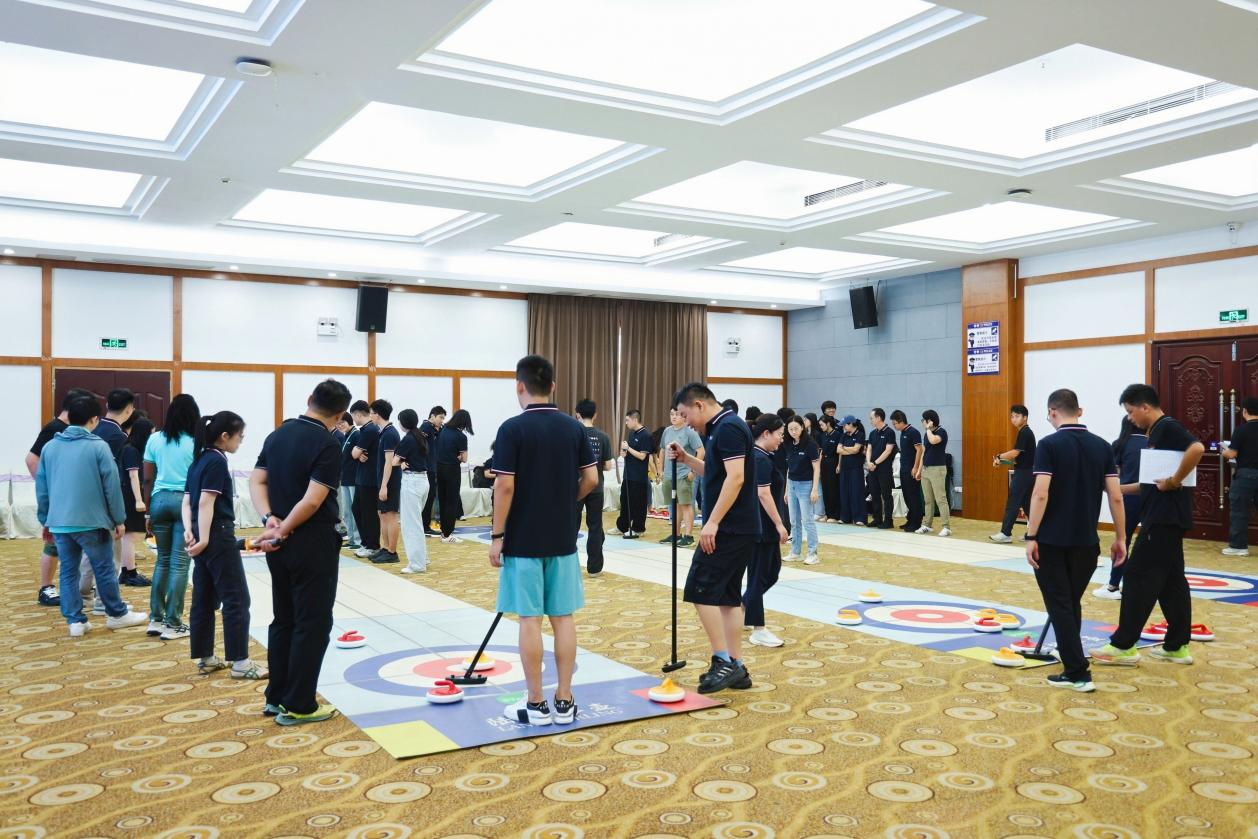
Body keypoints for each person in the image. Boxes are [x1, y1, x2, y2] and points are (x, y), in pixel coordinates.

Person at [490, 355, 598, 725]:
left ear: (519, 386)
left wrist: (497, 535)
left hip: (523, 539)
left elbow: (504, 486)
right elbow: (592, 479)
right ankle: (565, 700)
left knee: (530, 620)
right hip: (563, 537)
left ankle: (535, 703)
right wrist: (567, 503)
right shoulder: (573, 428)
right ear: (553, 386)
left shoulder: (512, 429)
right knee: (563, 618)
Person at [251, 378, 352, 725]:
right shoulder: (327, 443)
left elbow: (257, 480)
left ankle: (276, 696)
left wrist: (270, 520)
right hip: (312, 540)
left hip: (278, 540)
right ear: (339, 416)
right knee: (313, 621)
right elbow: (312, 500)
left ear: (309, 399)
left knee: (284, 617)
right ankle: (299, 703)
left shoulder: (277, 435)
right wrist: (284, 528)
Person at [1091, 384, 1204, 667]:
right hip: (1166, 517)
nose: (1130, 418)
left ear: (1145, 407)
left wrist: (1175, 481)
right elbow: (1150, 485)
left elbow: (1197, 448)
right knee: (1172, 582)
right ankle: (1177, 646)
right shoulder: (1155, 433)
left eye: (1131, 412)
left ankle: (1123, 645)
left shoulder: (1166, 427)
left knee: (1137, 576)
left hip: (1163, 519)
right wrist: (1115, 489)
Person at [1024, 389, 1126, 692]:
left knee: (1060, 605)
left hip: (1051, 541)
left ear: (1052, 412)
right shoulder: (1102, 446)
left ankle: (1077, 672)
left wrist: (1031, 534)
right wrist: (1121, 537)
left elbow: (1040, 493)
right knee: (1069, 602)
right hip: (1086, 541)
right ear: (1078, 411)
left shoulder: (1048, 445)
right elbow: (1116, 496)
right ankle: (1069, 655)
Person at [670, 383, 759, 695]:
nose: (686, 423)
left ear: (699, 405)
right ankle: (736, 664)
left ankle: (722, 660)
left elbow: (736, 478)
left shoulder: (728, 428)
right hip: (739, 527)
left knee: (700, 590)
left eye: (685, 415)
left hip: (730, 528)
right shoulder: (723, 427)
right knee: (727, 598)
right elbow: (716, 472)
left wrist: (712, 522)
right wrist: (687, 459)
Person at [36, 394, 147, 636]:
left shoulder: (50, 447)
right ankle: (116, 614)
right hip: (93, 522)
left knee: (68, 571)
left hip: (60, 522)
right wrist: (119, 519)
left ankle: (75, 621)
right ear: (94, 419)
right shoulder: (98, 446)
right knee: (104, 568)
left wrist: (45, 519)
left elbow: (42, 487)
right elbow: (112, 486)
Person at [184, 411, 267, 680]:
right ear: (224, 436)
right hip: (216, 535)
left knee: (204, 598)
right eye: (239, 436)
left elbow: (187, 502)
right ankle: (241, 663)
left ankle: (206, 657)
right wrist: (205, 538)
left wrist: (190, 531)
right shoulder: (217, 461)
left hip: (200, 532)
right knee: (236, 599)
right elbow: (205, 502)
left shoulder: (198, 460)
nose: (240, 441)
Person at [27, 387, 93, 607]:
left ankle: (69, 587)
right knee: (53, 543)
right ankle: (46, 588)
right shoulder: (55, 429)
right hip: (56, 498)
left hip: (66, 498)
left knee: (66, 544)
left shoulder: (67, 429)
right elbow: (31, 460)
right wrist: (49, 487)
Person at [145, 393, 201, 641]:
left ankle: (155, 619)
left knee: (163, 561)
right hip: (185, 502)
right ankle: (173, 622)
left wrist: (148, 511)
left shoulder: (155, 439)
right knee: (180, 564)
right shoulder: (197, 442)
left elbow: (148, 477)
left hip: (159, 500)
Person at [745, 414, 789, 647]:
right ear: (766, 433)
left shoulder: (763, 456)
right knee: (759, 576)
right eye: (779, 434)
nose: (781, 439)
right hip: (761, 526)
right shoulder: (759, 458)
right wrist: (780, 524)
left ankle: (743, 606)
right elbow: (763, 494)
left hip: (764, 527)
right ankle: (758, 629)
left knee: (770, 572)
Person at [1094, 417, 1147, 599]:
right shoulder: (1152, 444)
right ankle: (1143, 586)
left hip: (1129, 500)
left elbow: (1113, 475)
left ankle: (1113, 585)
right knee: (1148, 543)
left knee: (1122, 541)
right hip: (1150, 499)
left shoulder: (1120, 444)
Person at [574, 399, 613, 576]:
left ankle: (568, 565)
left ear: (577, 415)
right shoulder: (603, 436)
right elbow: (608, 466)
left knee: (572, 526)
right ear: (595, 415)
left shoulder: (573, 434)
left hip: (576, 487)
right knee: (595, 526)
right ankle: (594, 568)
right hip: (596, 487)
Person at [991, 404, 1037, 543]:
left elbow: (1015, 453)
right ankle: (1035, 533)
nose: (1014, 419)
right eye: (1012, 416)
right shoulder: (1024, 432)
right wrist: (1002, 461)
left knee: (1013, 502)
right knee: (1027, 504)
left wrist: (999, 456)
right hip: (1027, 472)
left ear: (1025, 417)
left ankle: (1006, 533)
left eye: (1017, 416)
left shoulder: (1025, 432)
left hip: (1024, 474)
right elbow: (1019, 459)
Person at [659, 408, 705, 547]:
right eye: (671, 414)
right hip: (669, 474)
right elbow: (662, 450)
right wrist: (660, 469)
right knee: (674, 505)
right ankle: (676, 534)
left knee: (686, 504)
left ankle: (689, 536)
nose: (674, 417)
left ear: (684, 417)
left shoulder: (690, 432)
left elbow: (701, 451)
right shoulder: (667, 431)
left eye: (677, 414)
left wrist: (693, 471)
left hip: (684, 474)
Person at [393, 409, 430, 574]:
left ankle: (417, 564)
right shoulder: (421, 436)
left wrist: (401, 463)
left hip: (412, 481)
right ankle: (423, 558)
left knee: (411, 525)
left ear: (403, 423)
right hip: (423, 480)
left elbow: (395, 461)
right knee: (416, 522)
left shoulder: (408, 439)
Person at [117, 415, 153, 587]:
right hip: (130, 495)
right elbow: (133, 476)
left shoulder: (129, 448)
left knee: (128, 536)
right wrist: (139, 500)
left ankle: (126, 570)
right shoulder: (131, 450)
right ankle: (130, 572)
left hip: (129, 493)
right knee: (129, 535)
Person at [1222, 396, 1258, 556]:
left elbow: (1232, 454)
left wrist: (1224, 452)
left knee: (1239, 510)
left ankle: (1238, 547)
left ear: (1244, 411)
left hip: (1246, 475)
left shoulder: (1241, 430)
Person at [783, 415, 820, 563]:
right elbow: (789, 468)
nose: (793, 432)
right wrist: (787, 490)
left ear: (802, 427)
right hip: (792, 484)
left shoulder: (810, 444)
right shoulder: (788, 443)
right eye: (790, 429)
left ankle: (813, 553)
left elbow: (816, 468)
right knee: (794, 521)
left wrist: (814, 489)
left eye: (796, 428)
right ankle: (795, 551)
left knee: (807, 520)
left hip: (806, 485)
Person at [613, 409, 653, 539]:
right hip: (628, 474)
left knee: (638, 503)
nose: (626, 423)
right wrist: (624, 453)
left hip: (639, 477)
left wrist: (628, 448)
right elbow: (629, 452)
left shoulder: (645, 435)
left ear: (635, 420)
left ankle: (638, 528)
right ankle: (622, 526)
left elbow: (642, 456)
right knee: (624, 501)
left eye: (627, 420)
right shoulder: (631, 434)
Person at [371, 399, 401, 564]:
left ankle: (392, 551)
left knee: (390, 515)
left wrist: (384, 486)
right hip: (383, 480)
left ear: (377, 414)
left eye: (371, 413)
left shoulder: (390, 434)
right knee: (382, 514)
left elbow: (389, 462)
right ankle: (386, 547)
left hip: (390, 482)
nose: (370, 416)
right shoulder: (383, 432)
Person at [436, 409, 472, 543]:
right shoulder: (461, 436)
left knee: (443, 500)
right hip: (452, 469)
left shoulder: (443, 430)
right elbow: (464, 458)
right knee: (452, 502)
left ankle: (443, 532)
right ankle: (447, 534)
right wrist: (459, 457)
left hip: (439, 468)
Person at [350, 403, 381, 558]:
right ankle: (366, 542)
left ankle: (372, 545)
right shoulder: (366, 430)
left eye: (353, 416)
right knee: (357, 509)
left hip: (370, 479)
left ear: (358, 414)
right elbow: (356, 454)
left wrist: (358, 453)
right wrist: (358, 453)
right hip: (363, 477)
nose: (353, 420)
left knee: (369, 513)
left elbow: (354, 453)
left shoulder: (370, 430)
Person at [339, 402, 369, 552]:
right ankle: (351, 539)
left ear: (349, 421)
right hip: (344, 478)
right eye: (338, 423)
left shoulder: (356, 434)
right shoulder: (345, 436)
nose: (340, 425)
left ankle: (358, 539)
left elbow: (364, 452)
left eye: (342, 422)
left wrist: (362, 456)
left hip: (354, 478)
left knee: (354, 510)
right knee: (346, 511)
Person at [917, 410, 951, 537]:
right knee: (928, 500)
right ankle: (927, 524)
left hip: (937, 469)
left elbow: (934, 441)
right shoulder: (927, 433)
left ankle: (946, 527)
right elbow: (924, 452)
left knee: (940, 499)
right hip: (926, 469)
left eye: (923, 420)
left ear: (929, 421)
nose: (922, 422)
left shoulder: (941, 432)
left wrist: (928, 429)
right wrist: (919, 469)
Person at [890, 411, 924, 533]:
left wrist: (915, 467)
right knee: (907, 495)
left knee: (913, 496)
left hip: (911, 469)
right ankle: (910, 520)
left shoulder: (913, 432)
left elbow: (919, 450)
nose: (894, 426)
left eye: (895, 423)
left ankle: (916, 522)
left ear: (901, 421)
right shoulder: (903, 432)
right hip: (904, 468)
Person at [865, 408, 897, 529]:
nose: (870, 420)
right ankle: (877, 519)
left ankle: (888, 520)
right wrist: (869, 462)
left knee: (886, 495)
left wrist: (875, 463)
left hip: (884, 469)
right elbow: (869, 449)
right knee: (874, 494)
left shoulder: (889, 432)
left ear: (878, 418)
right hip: (872, 469)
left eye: (872, 418)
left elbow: (888, 451)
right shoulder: (872, 433)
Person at [419, 407, 446, 537]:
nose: (442, 420)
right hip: (427, 468)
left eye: (443, 418)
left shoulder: (436, 429)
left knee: (431, 497)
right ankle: (424, 526)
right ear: (432, 416)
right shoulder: (426, 426)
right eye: (440, 417)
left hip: (433, 467)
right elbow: (419, 444)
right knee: (428, 498)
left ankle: (426, 525)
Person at [837, 415, 867, 526]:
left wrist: (845, 448)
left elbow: (856, 450)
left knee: (856, 492)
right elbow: (838, 450)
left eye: (845, 425)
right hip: (844, 467)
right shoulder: (844, 435)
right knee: (844, 492)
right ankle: (845, 517)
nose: (844, 427)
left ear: (851, 424)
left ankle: (859, 518)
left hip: (856, 468)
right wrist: (839, 464)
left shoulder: (860, 435)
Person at [818, 415, 841, 522]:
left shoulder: (838, 435)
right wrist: (818, 465)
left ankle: (835, 515)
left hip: (833, 461)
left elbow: (840, 452)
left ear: (828, 423)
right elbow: (821, 451)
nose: (821, 427)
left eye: (822, 425)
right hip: (824, 462)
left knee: (833, 489)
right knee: (825, 488)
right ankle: (828, 514)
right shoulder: (823, 435)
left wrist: (839, 465)